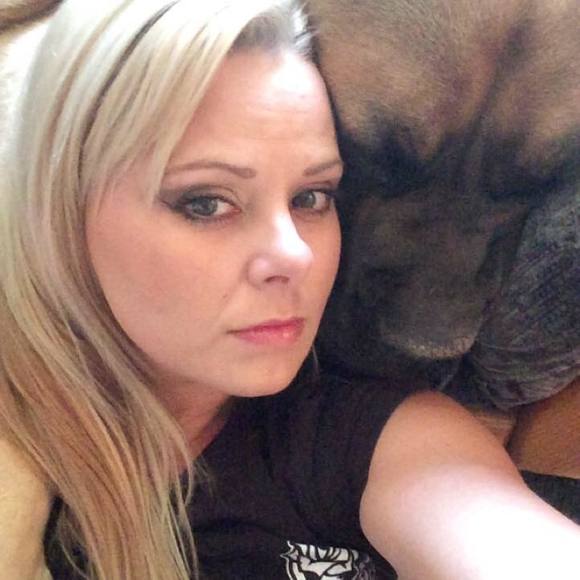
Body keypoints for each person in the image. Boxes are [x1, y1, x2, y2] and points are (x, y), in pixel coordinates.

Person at [0, 0, 578, 579]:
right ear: (56, 204)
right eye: (206, 203)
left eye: (313, 196)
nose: (296, 255)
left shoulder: (368, 434)